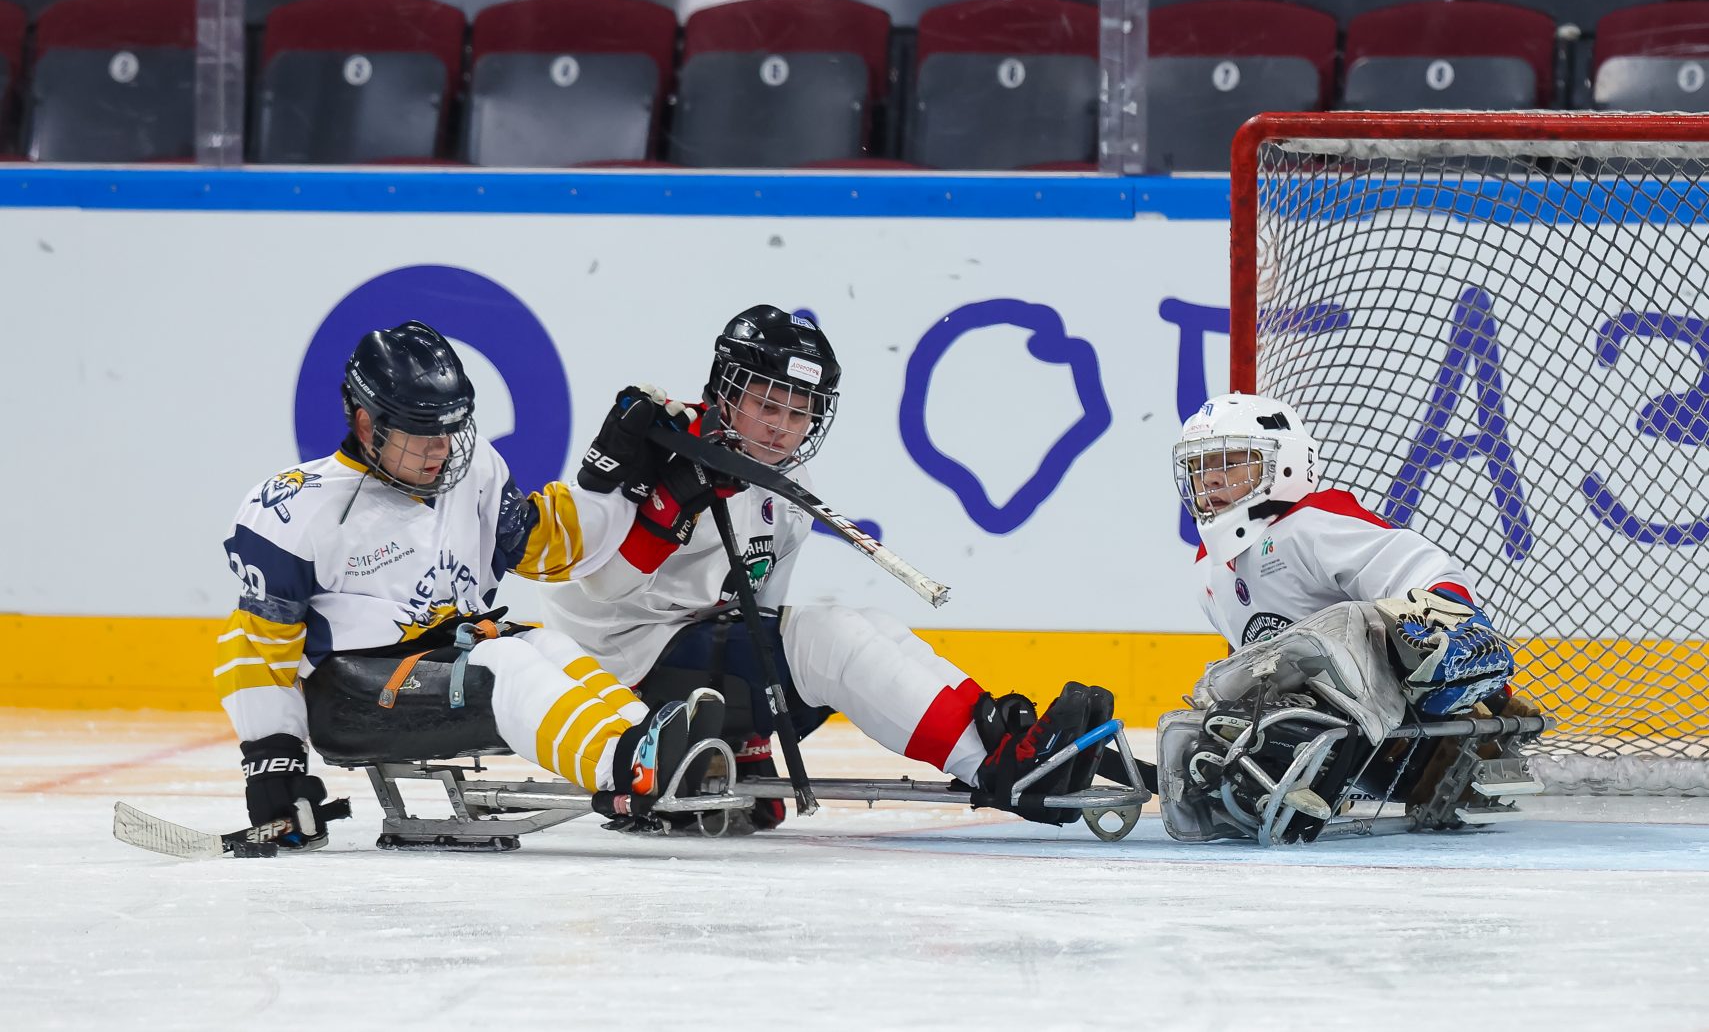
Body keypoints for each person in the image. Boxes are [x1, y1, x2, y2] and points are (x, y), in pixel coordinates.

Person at [541, 304, 1116, 829]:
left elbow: (762, 618)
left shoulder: (788, 489)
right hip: (611, 673)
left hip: (692, 668)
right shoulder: (655, 447)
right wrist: (670, 504)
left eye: (799, 413)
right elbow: (596, 582)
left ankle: (998, 740)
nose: (781, 427)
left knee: (868, 624)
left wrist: (749, 749)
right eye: (767, 405)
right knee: (830, 638)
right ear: (725, 392)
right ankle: (996, 771)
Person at [215, 319, 723, 848]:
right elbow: (255, 644)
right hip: (352, 694)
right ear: (368, 425)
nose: (443, 449)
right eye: (423, 433)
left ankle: (653, 745)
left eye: (451, 430)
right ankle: (625, 768)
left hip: (443, 655)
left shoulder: (472, 470)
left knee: (545, 643)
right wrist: (271, 762)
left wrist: (616, 470)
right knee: (506, 662)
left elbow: (547, 546)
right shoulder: (294, 507)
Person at [1159, 392, 1532, 843]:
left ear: (1287, 465)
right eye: (1200, 467)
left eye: (1232, 463)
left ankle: (1453, 723)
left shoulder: (1312, 523)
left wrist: (1454, 634)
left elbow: (1426, 570)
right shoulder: (1208, 570)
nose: (1211, 480)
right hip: (1338, 734)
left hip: (1409, 729)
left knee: (1356, 627)